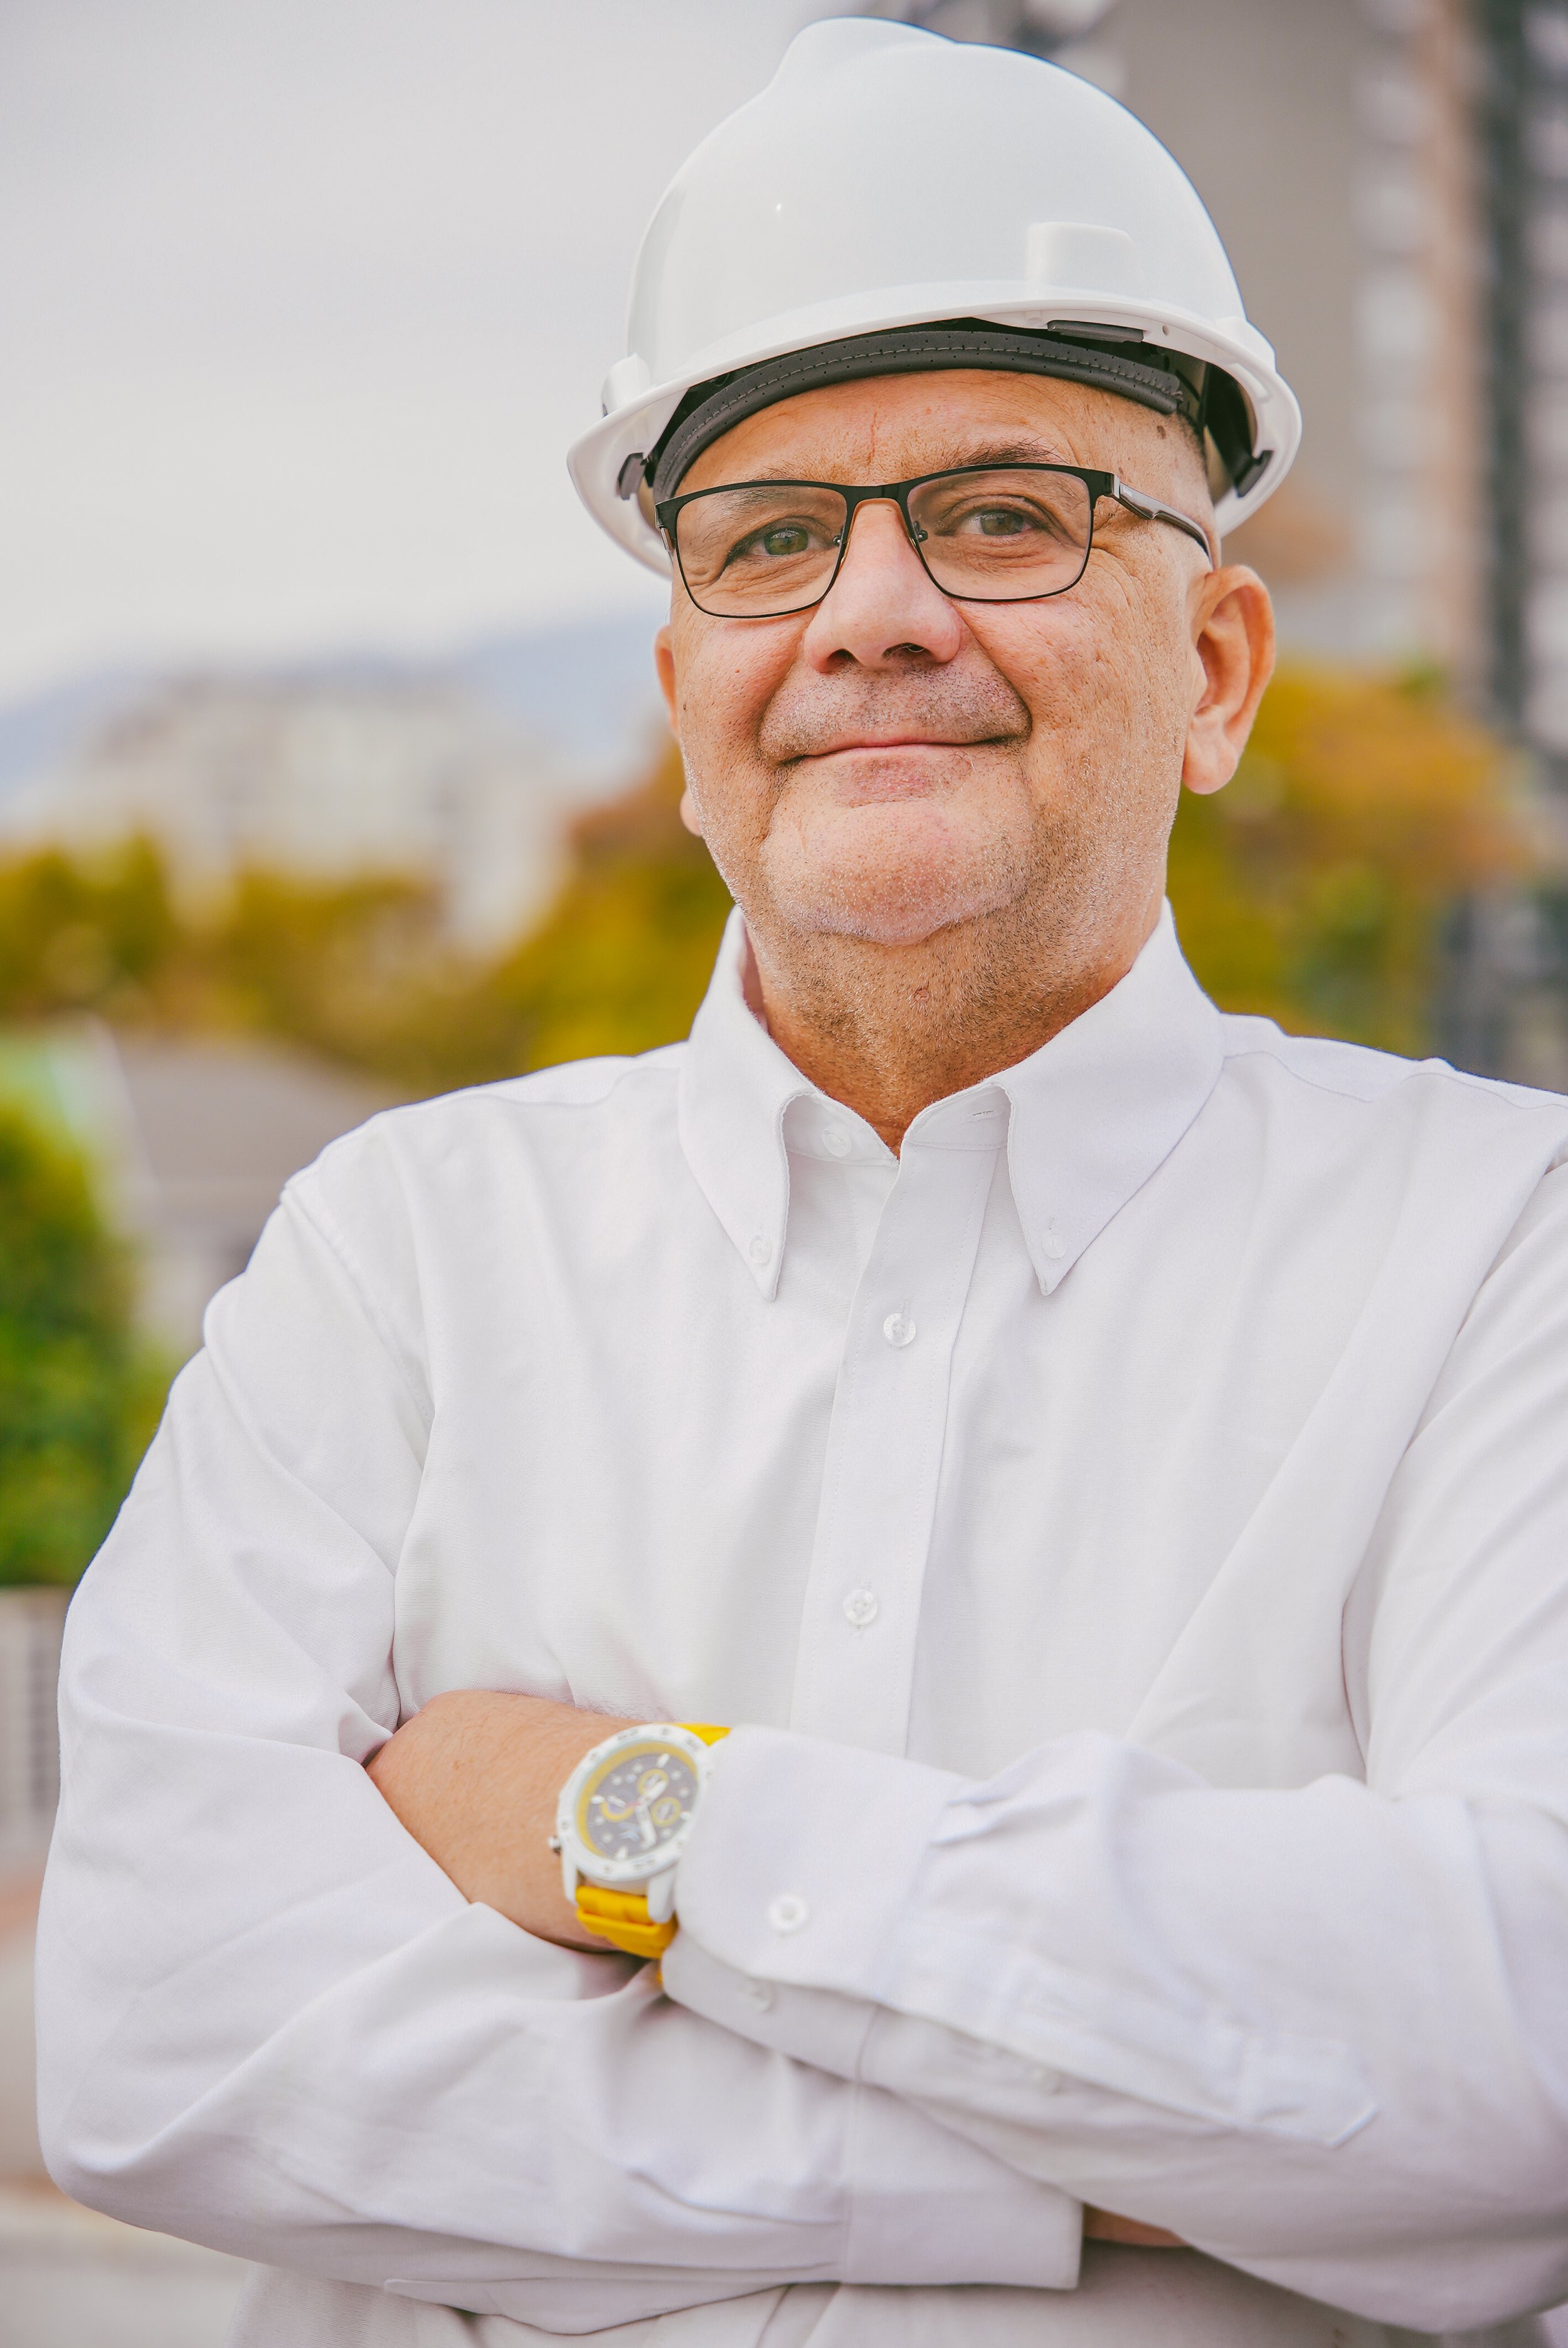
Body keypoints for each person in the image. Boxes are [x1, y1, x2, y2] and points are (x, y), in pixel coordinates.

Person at [35, 20, 1568, 2347]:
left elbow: (1518, 2064)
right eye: (766, 540)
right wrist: (1125, 2154)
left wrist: (623, 1822)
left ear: (1223, 667)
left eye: (1004, 512)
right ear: (679, 693)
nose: (869, 613)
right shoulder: (401, 1256)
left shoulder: (1500, 1249)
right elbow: (162, 2048)